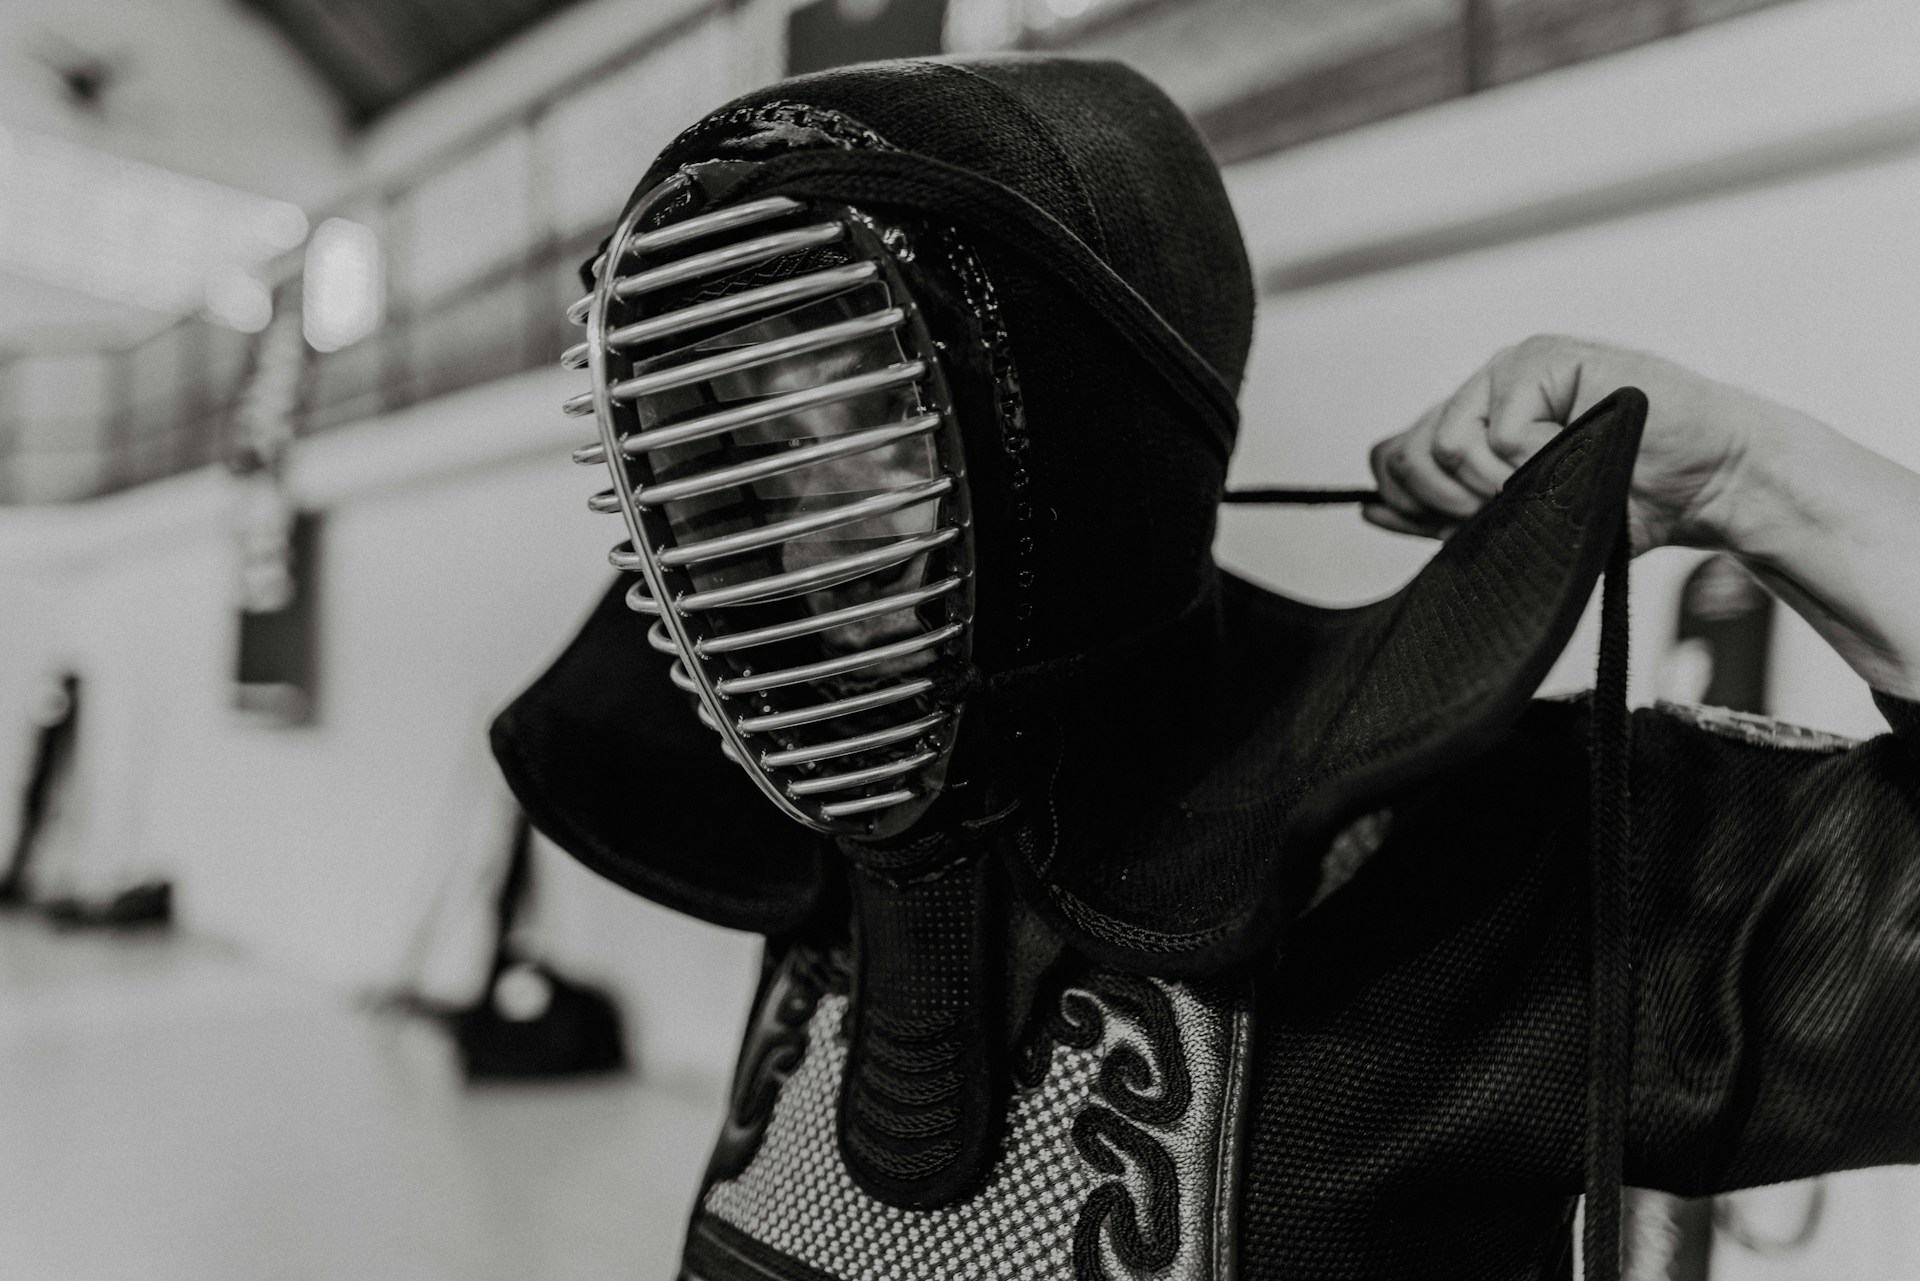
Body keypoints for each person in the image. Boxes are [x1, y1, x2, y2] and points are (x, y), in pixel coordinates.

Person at [491, 56, 1920, 1281]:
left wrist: (1757, 475)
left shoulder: (1483, 855)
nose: (800, 530)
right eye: (748, 436)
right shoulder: (826, 838)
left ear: (1059, 410)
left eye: (854, 413)